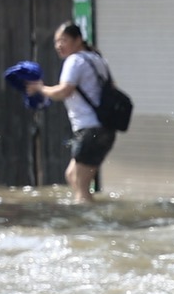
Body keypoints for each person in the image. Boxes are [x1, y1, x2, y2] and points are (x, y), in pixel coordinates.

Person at [25, 22, 115, 202]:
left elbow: (64, 91)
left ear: (78, 40)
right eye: (56, 42)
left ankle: (86, 221)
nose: (59, 45)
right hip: (104, 129)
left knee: (80, 183)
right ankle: (91, 216)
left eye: (63, 40)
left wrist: (40, 89)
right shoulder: (97, 59)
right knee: (72, 176)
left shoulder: (74, 61)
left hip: (90, 129)